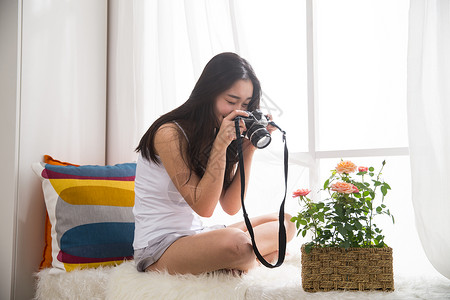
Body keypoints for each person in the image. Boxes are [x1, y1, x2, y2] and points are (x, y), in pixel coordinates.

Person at [133, 52, 295, 275]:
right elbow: (205, 207)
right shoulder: (169, 133)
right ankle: (251, 259)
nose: (238, 111)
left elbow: (230, 206)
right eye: (231, 101)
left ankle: (240, 259)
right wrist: (220, 145)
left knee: (287, 221)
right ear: (208, 94)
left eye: (245, 104)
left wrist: (248, 150)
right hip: (158, 248)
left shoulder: (217, 131)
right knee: (236, 242)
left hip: (196, 236)